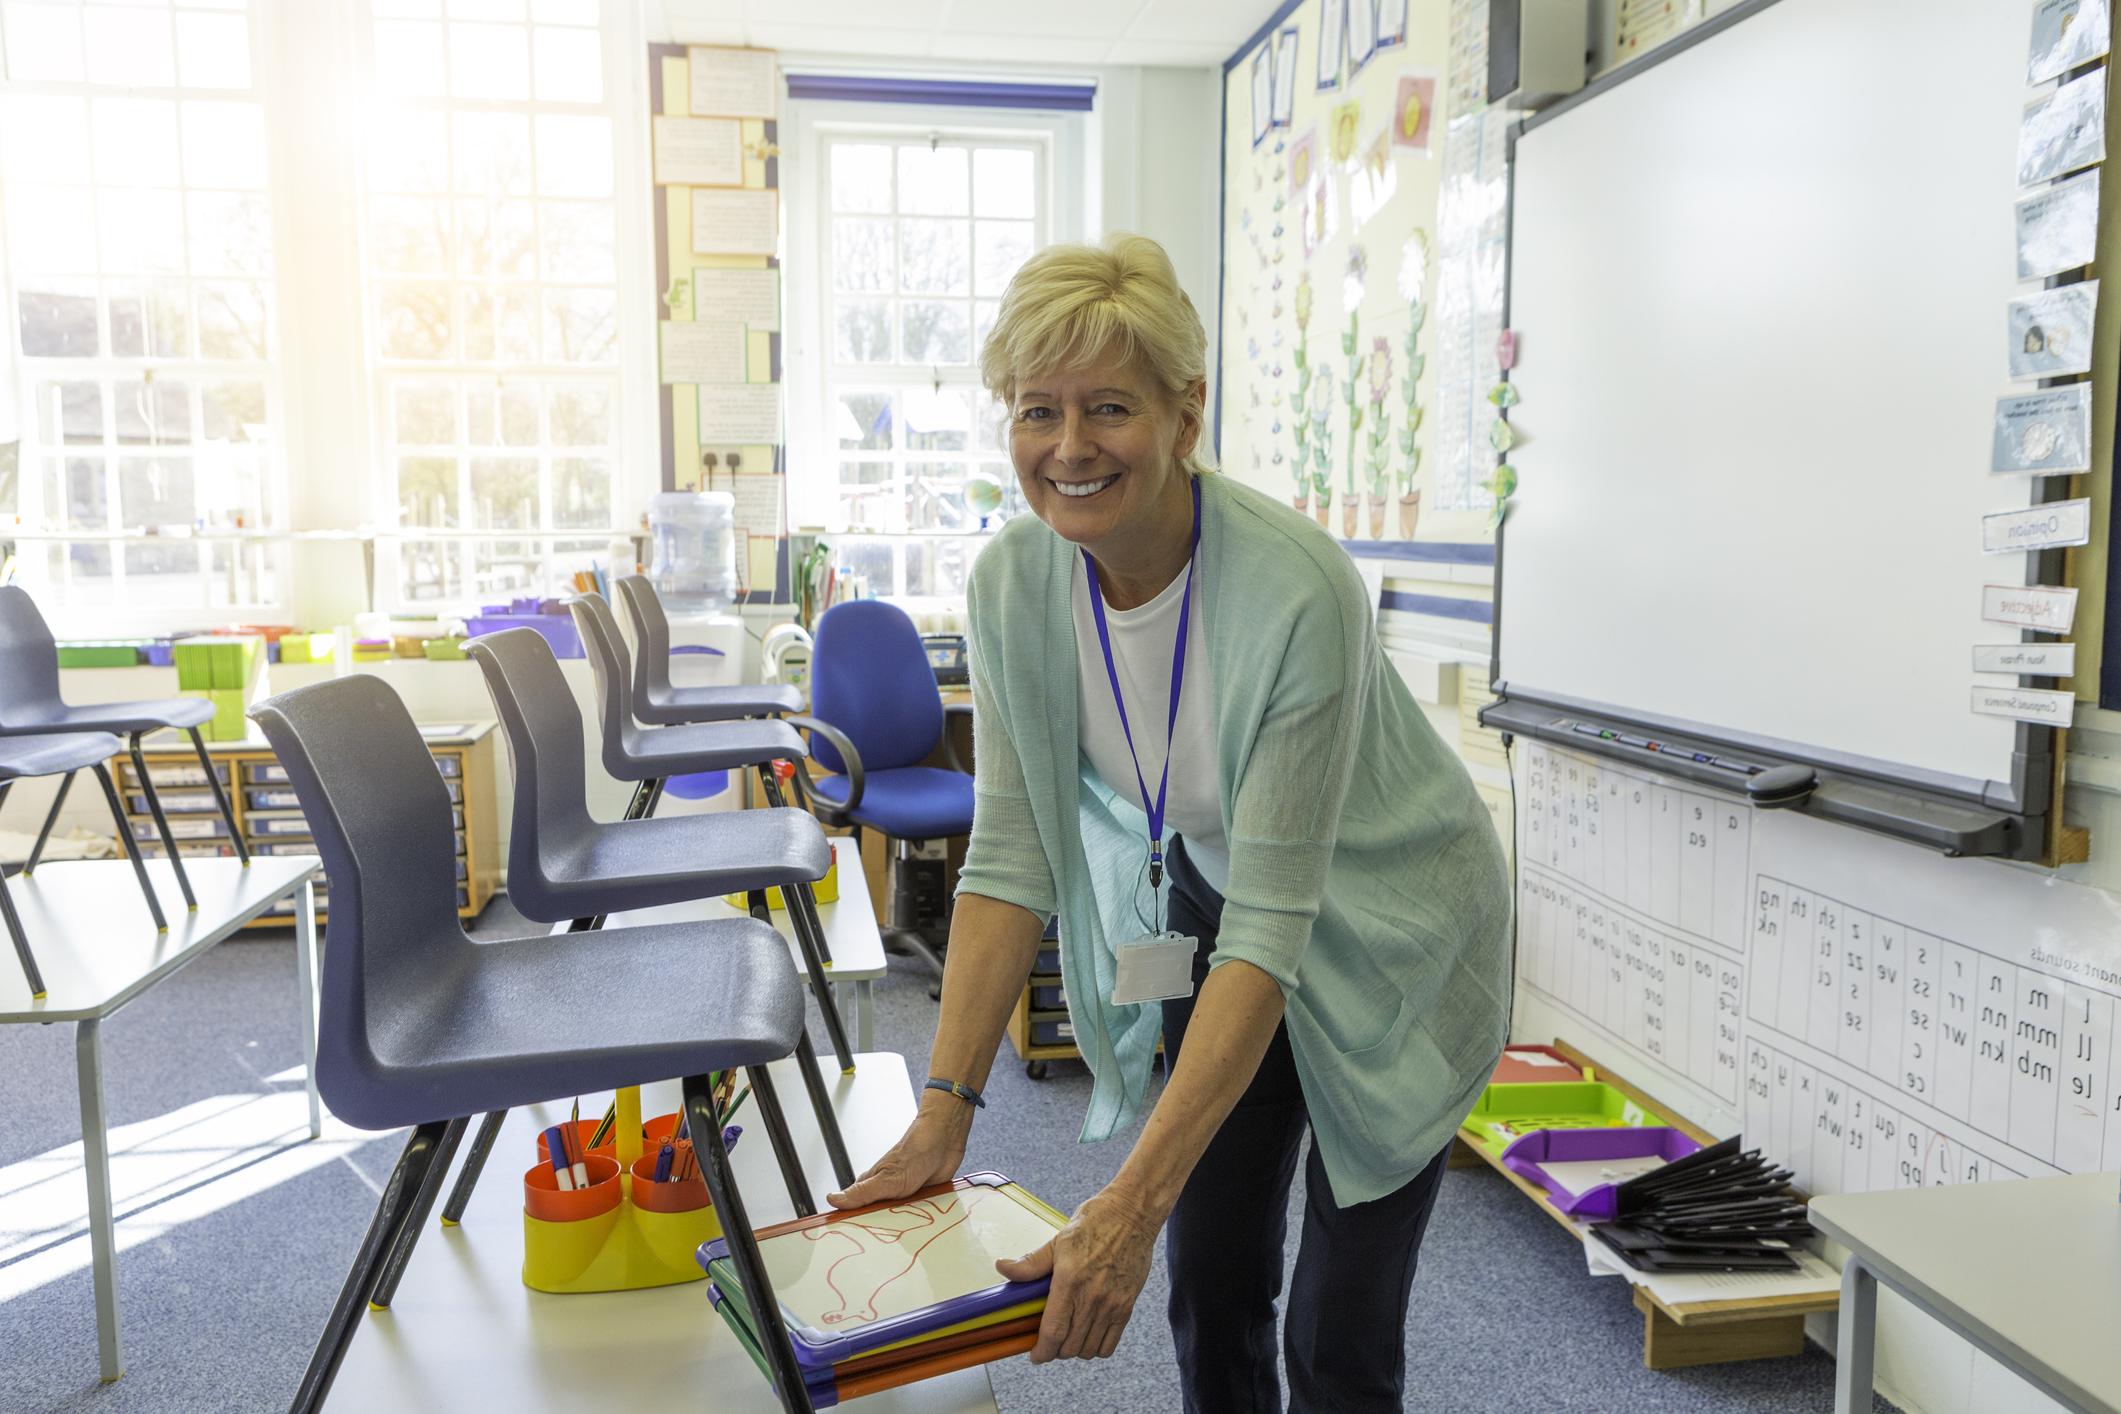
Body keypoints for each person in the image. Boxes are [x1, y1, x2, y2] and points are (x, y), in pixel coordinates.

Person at [827, 233, 1512, 1412]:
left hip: (1396, 931)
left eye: (1110, 407)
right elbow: (1010, 856)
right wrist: (947, 1110)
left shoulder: (1298, 592)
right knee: (1210, 1276)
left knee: (1336, 1331)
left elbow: (1275, 925)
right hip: (1229, 905)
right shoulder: (1012, 589)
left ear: (1184, 415)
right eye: (1037, 410)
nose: (1070, 447)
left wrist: (1122, 1208)